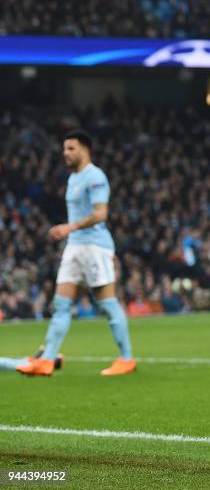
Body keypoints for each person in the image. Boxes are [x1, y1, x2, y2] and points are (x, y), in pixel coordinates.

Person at [17, 130, 136, 377]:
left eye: (71, 148)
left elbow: (101, 214)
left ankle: (126, 359)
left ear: (85, 149)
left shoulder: (96, 177)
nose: (65, 153)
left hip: (95, 247)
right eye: (64, 149)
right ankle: (47, 359)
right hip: (75, 247)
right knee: (60, 304)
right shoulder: (73, 179)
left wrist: (69, 227)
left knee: (106, 304)